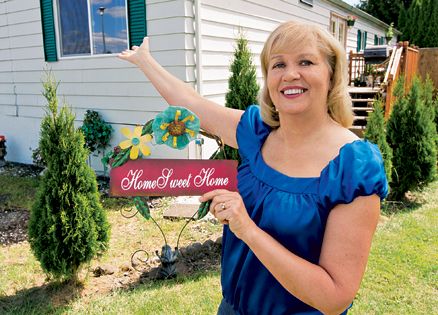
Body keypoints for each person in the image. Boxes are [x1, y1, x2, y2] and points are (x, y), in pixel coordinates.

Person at [118, 21, 388, 315]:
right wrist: (145, 61)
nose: (290, 74)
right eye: (278, 64)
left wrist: (246, 228)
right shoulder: (258, 133)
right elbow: (192, 104)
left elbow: (334, 298)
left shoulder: (353, 166)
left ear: (331, 73)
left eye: (306, 62)